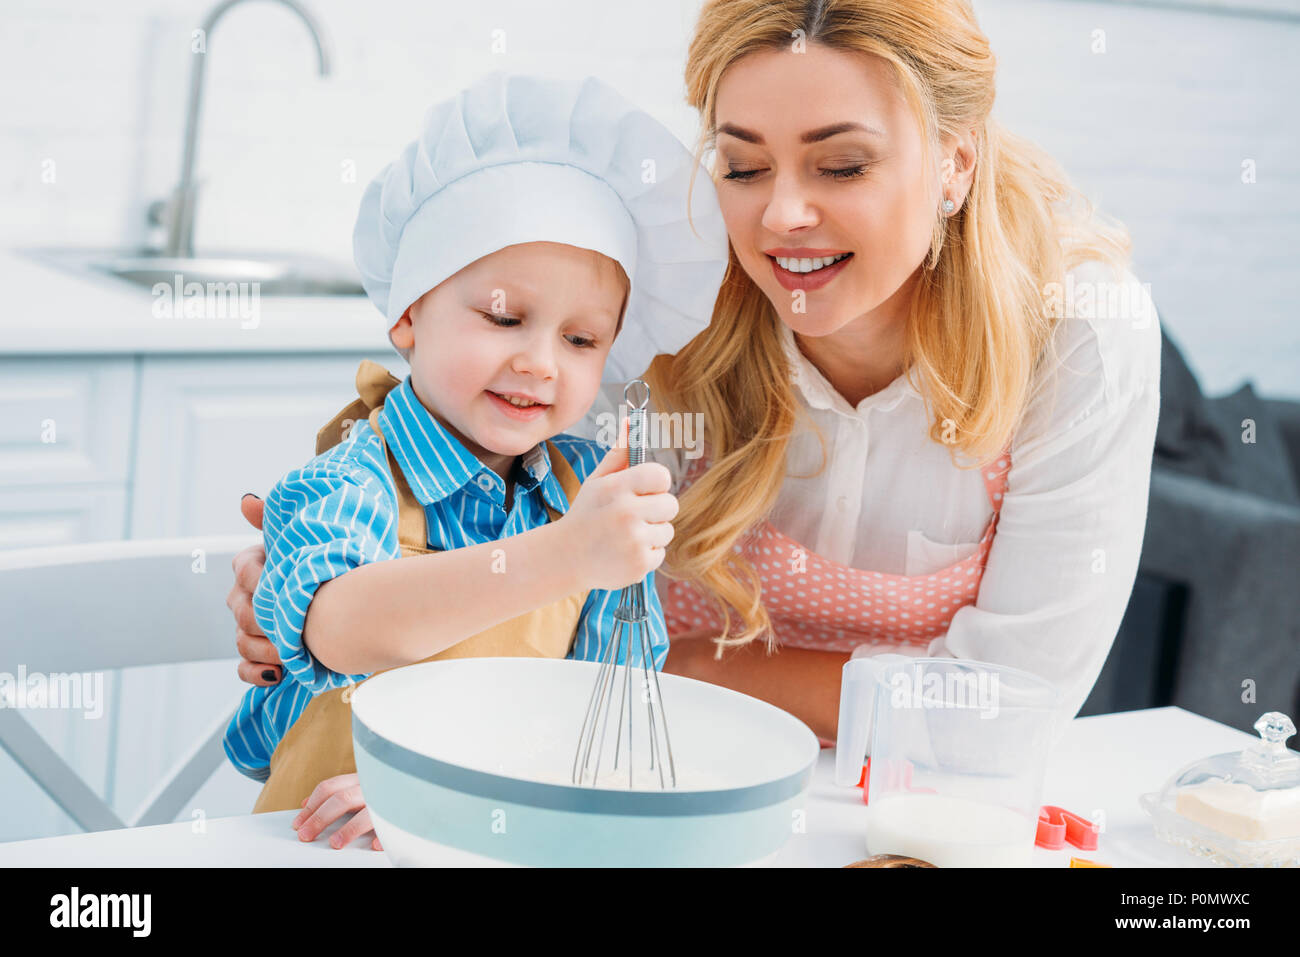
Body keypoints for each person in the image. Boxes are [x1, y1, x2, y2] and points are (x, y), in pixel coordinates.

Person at [232, 0, 1161, 838]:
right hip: (647, 794)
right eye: (742, 164)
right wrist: (313, 589)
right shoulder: (654, 314)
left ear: (955, 160)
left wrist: (691, 673)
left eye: (842, 164)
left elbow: (1011, 704)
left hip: (910, 811)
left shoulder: (1078, 336)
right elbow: (460, 497)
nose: (781, 215)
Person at [222, 70, 728, 848]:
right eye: (505, 317)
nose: (540, 361)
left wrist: (448, 793)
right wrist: (565, 555)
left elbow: (609, 715)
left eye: (581, 339)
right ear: (409, 315)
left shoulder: (581, 496)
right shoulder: (347, 480)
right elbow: (337, 624)